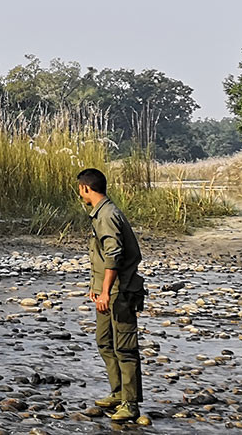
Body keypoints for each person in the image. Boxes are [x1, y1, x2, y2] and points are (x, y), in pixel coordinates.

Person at [76, 168, 147, 422]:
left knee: (125, 348)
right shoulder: (100, 213)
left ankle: (130, 403)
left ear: (86, 188)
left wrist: (105, 291)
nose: (79, 193)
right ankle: (117, 393)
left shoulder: (107, 215)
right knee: (104, 341)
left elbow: (114, 256)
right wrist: (96, 288)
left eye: (80, 189)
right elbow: (101, 256)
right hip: (107, 291)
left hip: (121, 291)